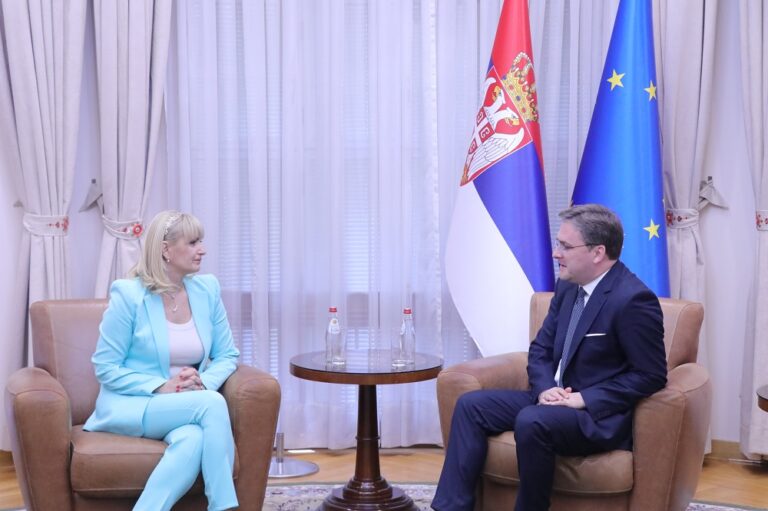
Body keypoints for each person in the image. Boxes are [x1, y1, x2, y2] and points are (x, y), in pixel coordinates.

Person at [431, 204, 668, 511]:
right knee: (471, 405)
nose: (557, 253)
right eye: (558, 244)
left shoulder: (633, 300)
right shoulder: (568, 287)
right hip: (552, 400)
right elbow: (541, 349)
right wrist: (545, 389)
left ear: (598, 252)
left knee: (532, 420)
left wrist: (583, 398)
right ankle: (451, 508)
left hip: (595, 416)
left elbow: (651, 375)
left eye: (566, 246)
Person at [84, 210, 241, 511]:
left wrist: (202, 382)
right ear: (166, 249)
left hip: (186, 404)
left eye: (201, 241)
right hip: (134, 403)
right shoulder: (129, 295)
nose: (202, 250)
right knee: (212, 403)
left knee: (193, 440)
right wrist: (161, 386)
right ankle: (224, 507)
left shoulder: (207, 290)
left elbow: (227, 354)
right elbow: (105, 367)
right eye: (193, 242)